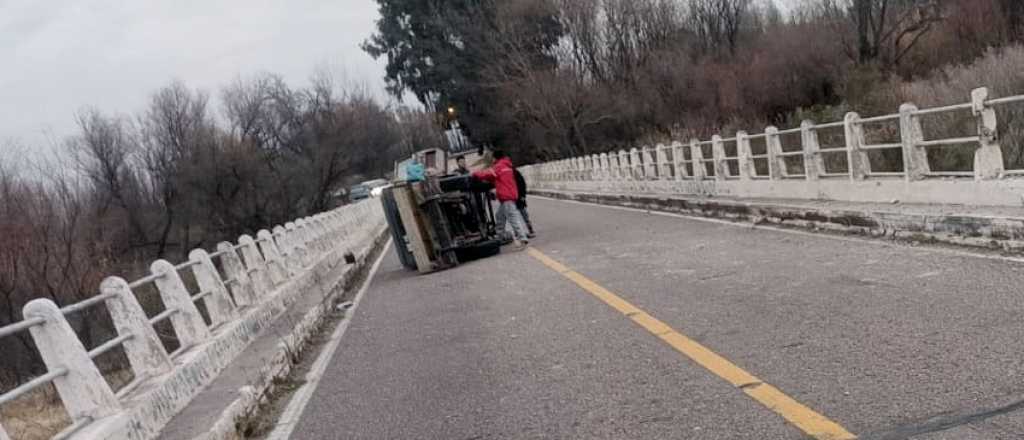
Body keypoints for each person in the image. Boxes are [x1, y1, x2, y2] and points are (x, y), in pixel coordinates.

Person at [472, 150, 530, 249]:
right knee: (499, 216)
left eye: (493, 158)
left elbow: (486, 174)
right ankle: (500, 236)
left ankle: (523, 238)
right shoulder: (507, 166)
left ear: (495, 158)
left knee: (513, 218)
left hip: (506, 197)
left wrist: (474, 174)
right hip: (509, 195)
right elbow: (495, 178)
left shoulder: (499, 166)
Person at [513, 168, 535, 238]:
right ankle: (518, 233)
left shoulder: (515, 172)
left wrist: (523, 196)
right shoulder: (506, 173)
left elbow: (522, 184)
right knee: (513, 217)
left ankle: (531, 230)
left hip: (519, 198)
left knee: (525, 215)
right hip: (511, 198)